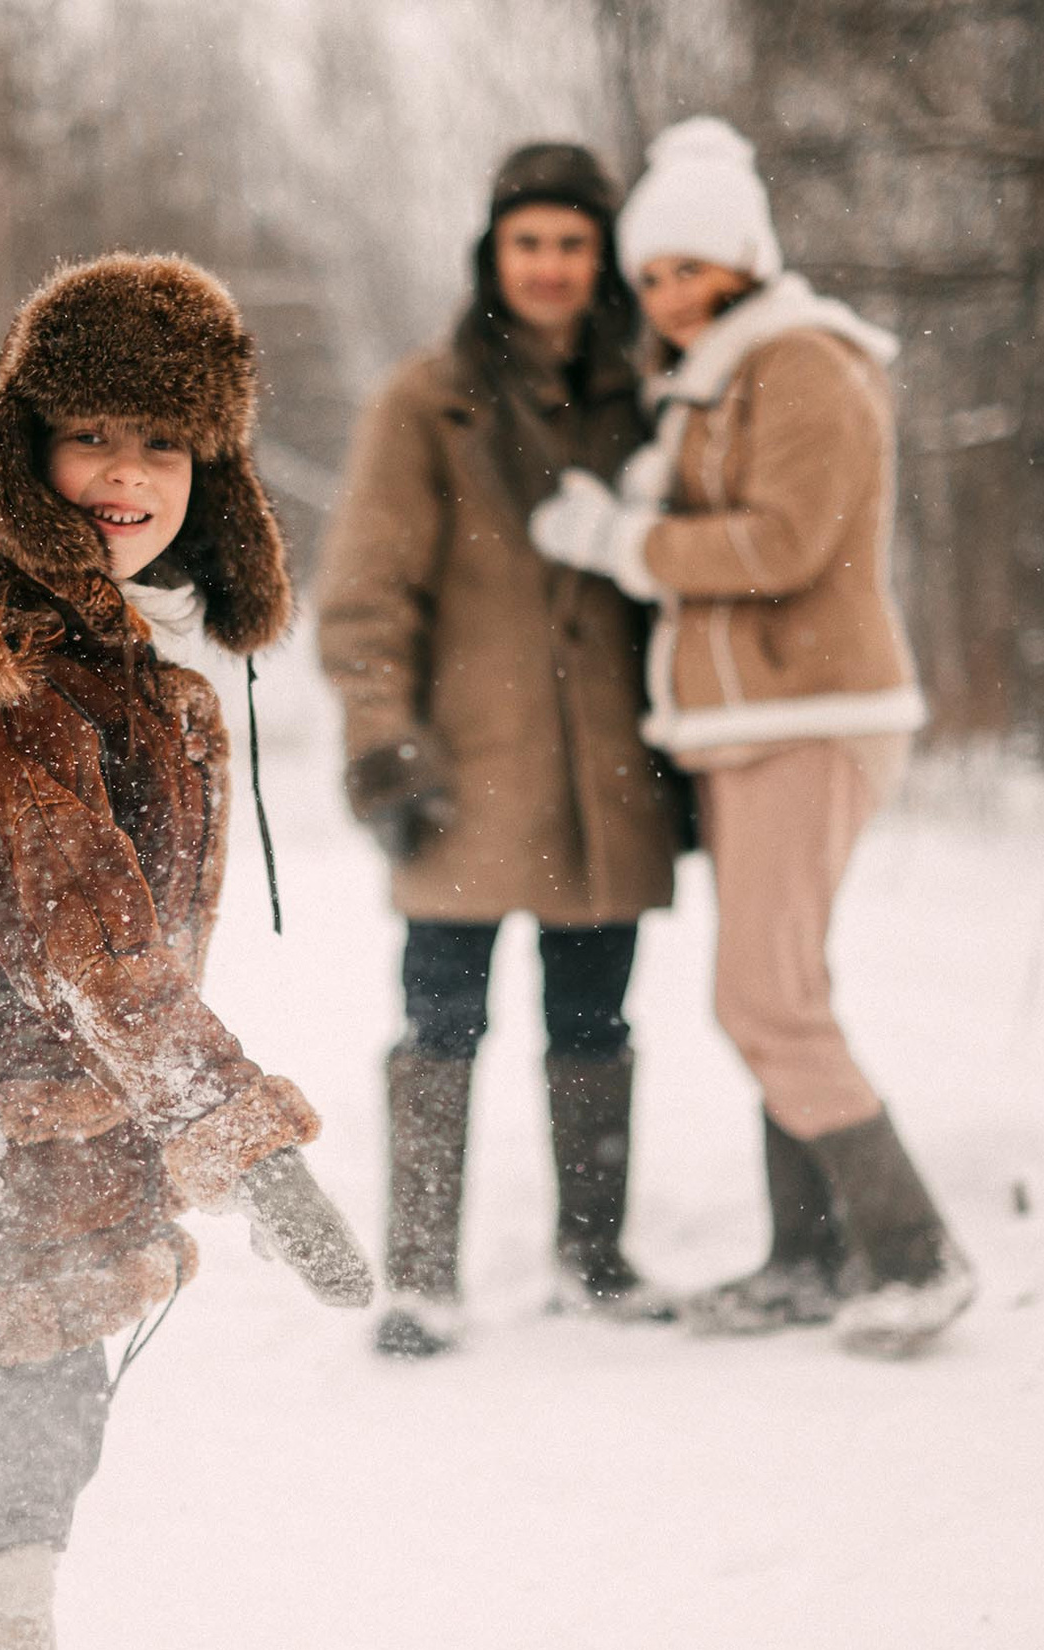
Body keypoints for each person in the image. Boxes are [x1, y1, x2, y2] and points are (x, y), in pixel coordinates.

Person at [0, 254, 374, 1650]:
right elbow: (84, 938)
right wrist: (245, 1139)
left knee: (5, 1464)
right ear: (23, 445)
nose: (126, 474)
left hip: (21, 1144)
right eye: (90, 435)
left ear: (211, 469)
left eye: (163, 442)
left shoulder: (109, 638)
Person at [528, 117, 975, 1356]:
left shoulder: (802, 361)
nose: (668, 295)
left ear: (744, 259)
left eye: (690, 268)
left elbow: (785, 543)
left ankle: (915, 1255)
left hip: (810, 715)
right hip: (747, 724)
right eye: (651, 275)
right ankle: (808, 1260)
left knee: (765, 999)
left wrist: (622, 542)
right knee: (786, 991)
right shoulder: (716, 374)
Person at [318, 143, 688, 1359]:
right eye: (529, 242)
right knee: (439, 1020)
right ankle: (421, 1277)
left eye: (573, 244)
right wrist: (385, 742)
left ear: (603, 260)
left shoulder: (651, 396)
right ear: (494, 255)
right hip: (464, 771)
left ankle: (595, 1258)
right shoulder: (424, 402)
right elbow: (368, 599)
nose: (550, 266)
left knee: (594, 1020)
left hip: (611, 774)